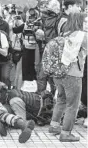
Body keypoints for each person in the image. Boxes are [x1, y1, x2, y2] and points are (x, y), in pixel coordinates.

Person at [48, 12, 87, 142]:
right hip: (73, 74)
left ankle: (54, 126)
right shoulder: (83, 36)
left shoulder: (65, 33)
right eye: (85, 21)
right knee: (72, 105)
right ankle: (65, 133)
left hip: (59, 73)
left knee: (61, 99)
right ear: (80, 22)